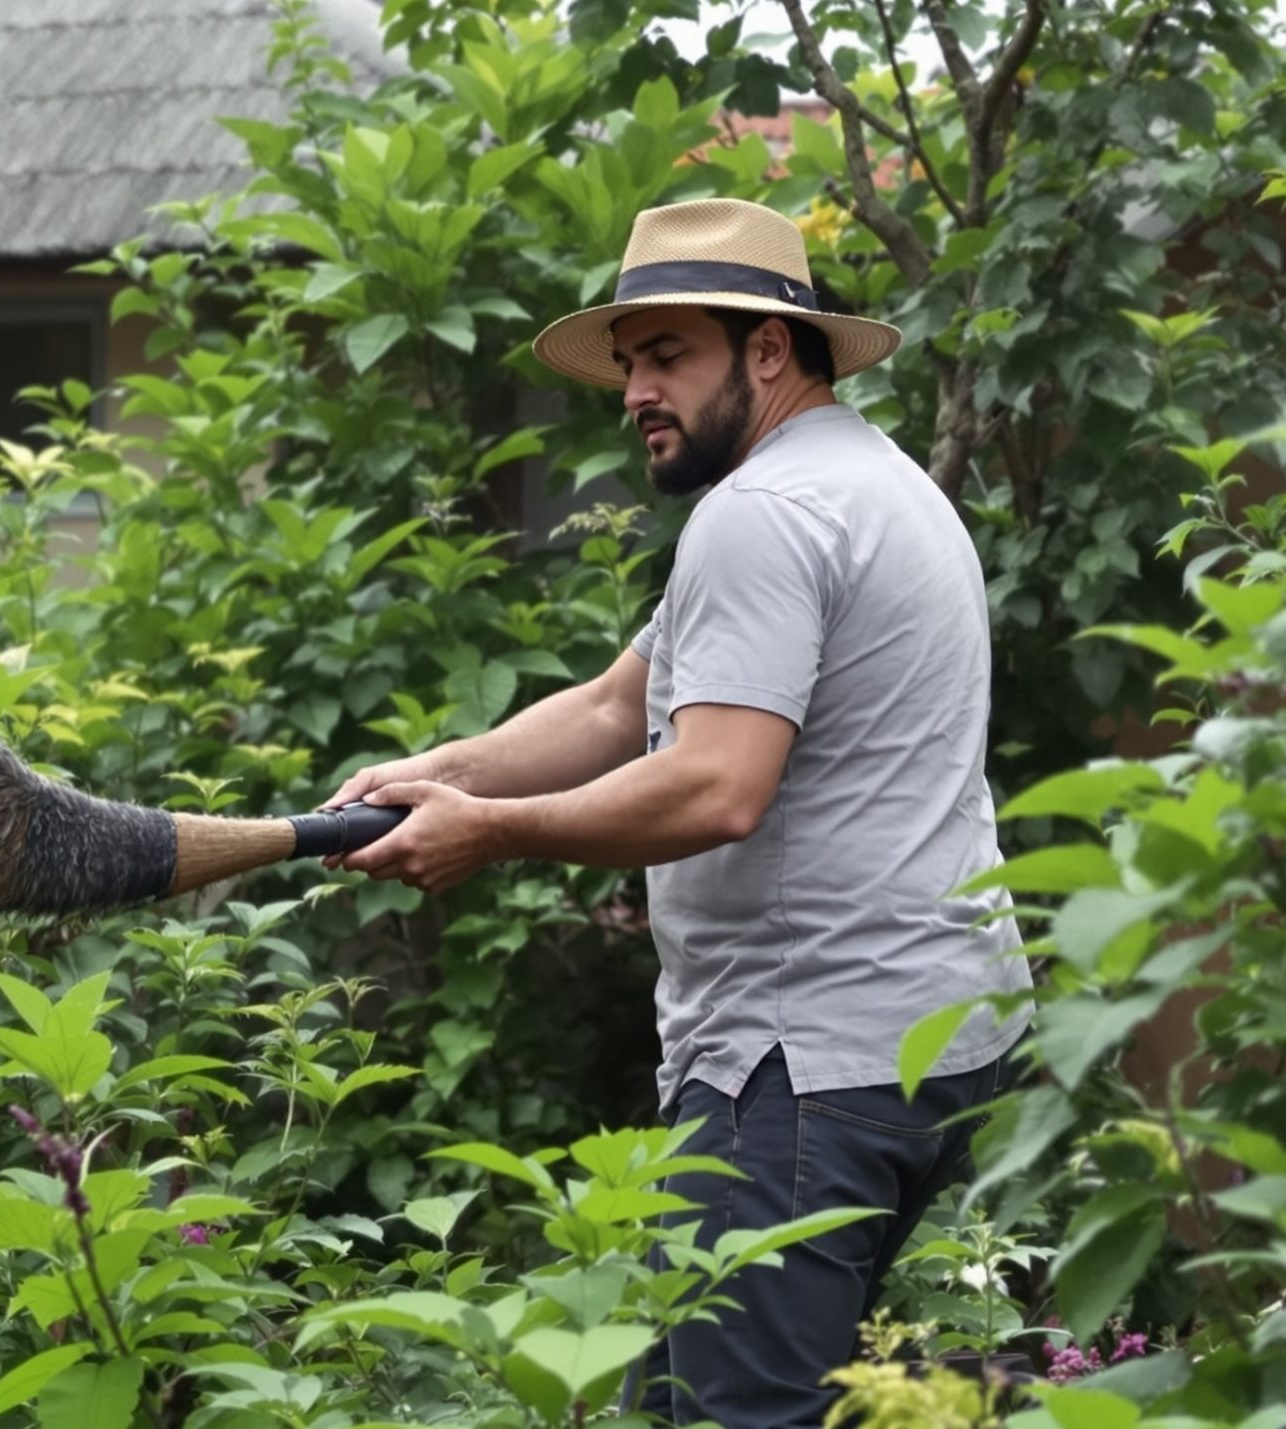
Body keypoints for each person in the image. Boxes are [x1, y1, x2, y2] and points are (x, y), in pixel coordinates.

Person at [326, 197, 1033, 1428]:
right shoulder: (870, 482)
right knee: (833, 1395)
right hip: (929, 1034)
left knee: (724, 1410)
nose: (634, 390)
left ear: (767, 351)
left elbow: (715, 782)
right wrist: (441, 770)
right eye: (627, 360)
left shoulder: (757, 516)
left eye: (668, 356)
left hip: (798, 1054)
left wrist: (486, 831)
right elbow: (618, 705)